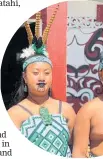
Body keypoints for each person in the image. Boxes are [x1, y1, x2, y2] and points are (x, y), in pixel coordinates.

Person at [8, 7, 76, 158]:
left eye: (46, 73)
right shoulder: (14, 114)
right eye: (35, 73)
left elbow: (74, 146)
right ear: (25, 77)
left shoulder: (66, 110)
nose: (41, 78)